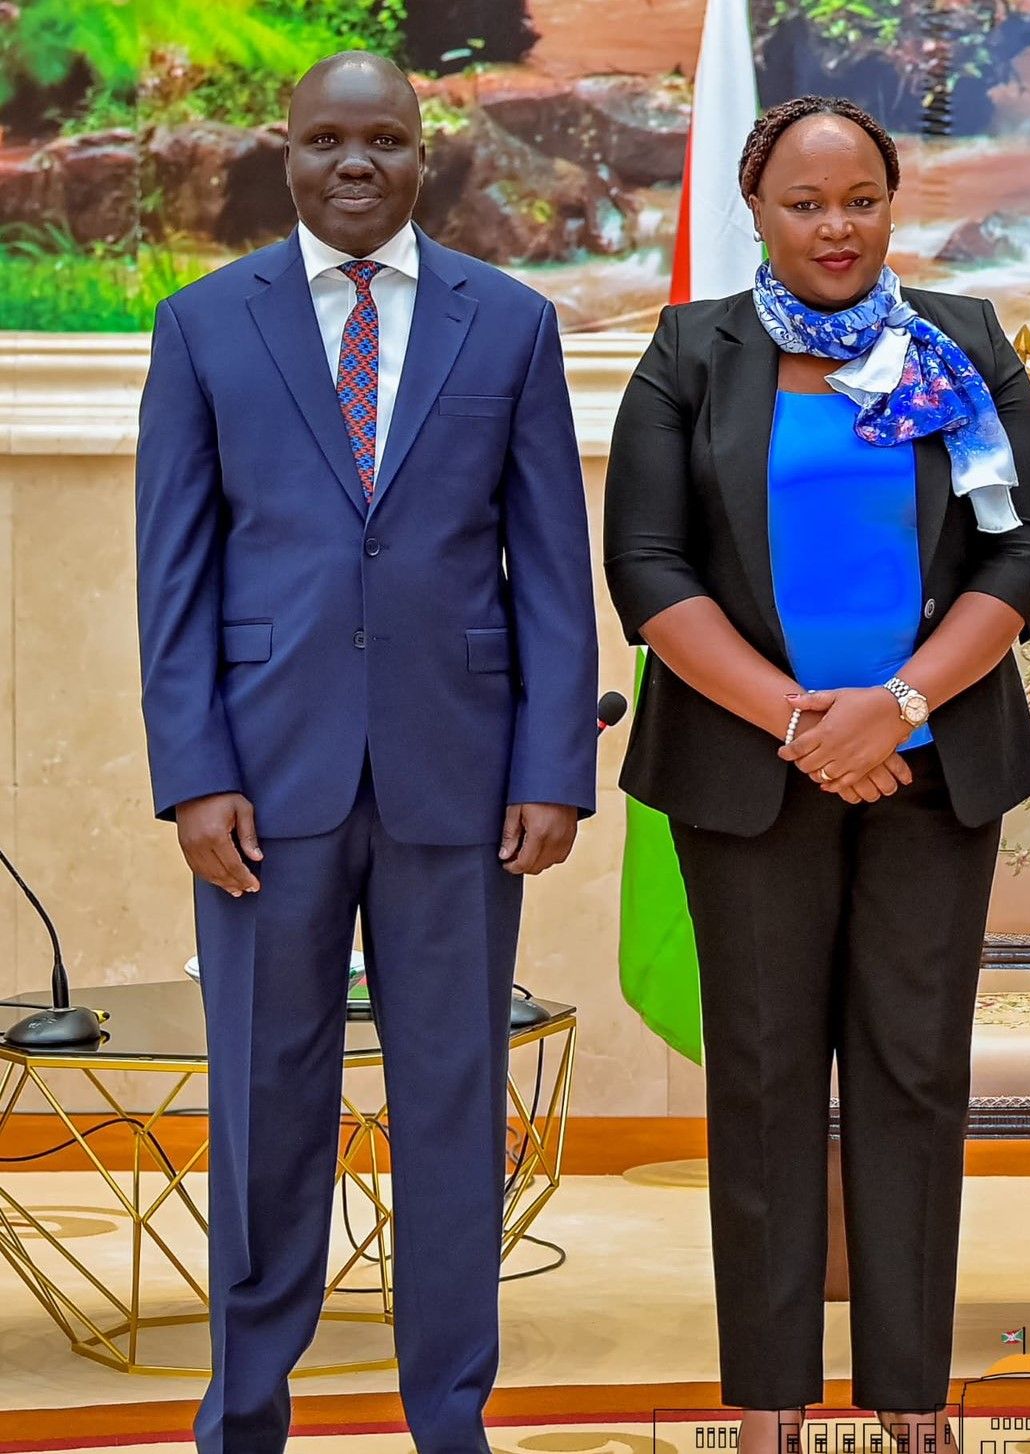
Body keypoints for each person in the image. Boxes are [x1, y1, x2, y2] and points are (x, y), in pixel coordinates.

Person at [134, 52, 598, 1454]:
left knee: (452, 1106)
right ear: (286, 150)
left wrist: (549, 767)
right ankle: (247, 1412)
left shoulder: (507, 324)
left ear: (423, 153)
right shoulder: (205, 326)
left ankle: (448, 1416)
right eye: (329, 139)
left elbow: (550, 569)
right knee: (268, 1102)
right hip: (263, 790)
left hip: (457, 784)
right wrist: (194, 771)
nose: (356, 164)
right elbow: (176, 576)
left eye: (384, 140)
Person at [602, 95, 1030, 1454]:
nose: (836, 226)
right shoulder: (692, 352)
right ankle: (770, 1402)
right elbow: (650, 568)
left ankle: (915, 1396)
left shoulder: (958, 345)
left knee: (916, 1073)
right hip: (750, 775)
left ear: (892, 202)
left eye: (859, 198)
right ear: (757, 208)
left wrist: (899, 706)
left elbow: (1012, 558)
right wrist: (807, 724)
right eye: (807, 203)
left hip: (934, 765)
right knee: (762, 1074)